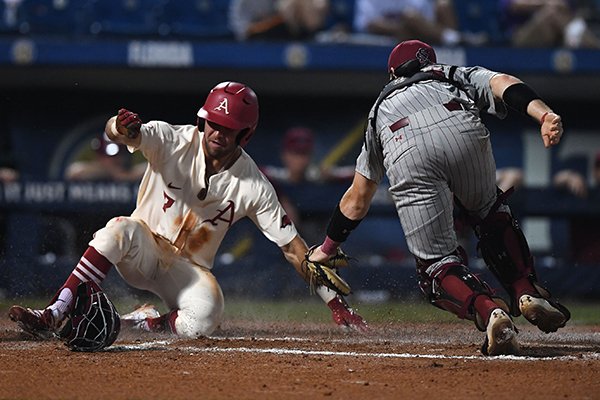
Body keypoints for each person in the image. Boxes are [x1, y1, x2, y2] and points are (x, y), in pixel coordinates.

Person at [8, 81, 368, 341]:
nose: (217, 133)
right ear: (202, 120)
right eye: (213, 123)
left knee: (206, 316)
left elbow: (293, 250)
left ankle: (137, 324)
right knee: (118, 228)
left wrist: (335, 304)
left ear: (246, 135)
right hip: (142, 248)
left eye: (228, 129)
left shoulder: (253, 184)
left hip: (186, 269)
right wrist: (119, 126)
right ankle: (55, 311)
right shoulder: (170, 138)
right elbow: (119, 134)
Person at [307, 40, 571, 356]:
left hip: (403, 143)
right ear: (429, 61)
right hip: (460, 126)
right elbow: (504, 83)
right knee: (490, 213)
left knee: (437, 264)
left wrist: (326, 249)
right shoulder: (447, 73)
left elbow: (358, 197)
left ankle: (489, 310)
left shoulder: (378, 109)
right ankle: (526, 291)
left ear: (392, 73)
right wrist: (542, 113)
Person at [353, 0, 487, 47]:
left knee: (411, 16)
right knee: (408, 18)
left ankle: (453, 40)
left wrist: (410, 24)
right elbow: (367, 23)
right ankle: (455, 38)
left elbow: (426, 21)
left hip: (418, 36)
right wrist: (401, 27)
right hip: (385, 37)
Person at [499, 0, 600, 48]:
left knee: (558, 13)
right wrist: (547, 3)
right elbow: (515, 5)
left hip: (553, 33)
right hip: (520, 37)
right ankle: (592, 46)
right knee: (551, 12)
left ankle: (577, 39)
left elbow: (565, 6)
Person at [229, 0, 331, 41]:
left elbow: (317, 12)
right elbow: (245, 31)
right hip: (257, 38)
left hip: (292, 31)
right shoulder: (244, 3)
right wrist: (280, 18)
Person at [65, 131, 147, 182]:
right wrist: (109, 172)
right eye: (108, 157)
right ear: (99, 157)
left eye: (117, 156)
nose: (114, 160)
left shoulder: (131, 168)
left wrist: (125, 176)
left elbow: (149, 169)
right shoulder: (92, 170)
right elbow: (73, 172)